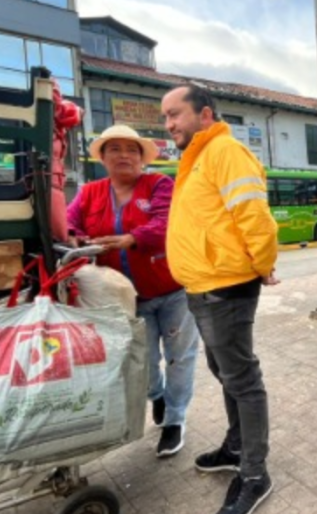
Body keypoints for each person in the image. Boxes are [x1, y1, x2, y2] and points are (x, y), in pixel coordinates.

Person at [162, 84, 279, 514]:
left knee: (242, 378)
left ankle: (254, 473)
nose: (169, 124)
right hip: (201, 285)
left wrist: (263, 265)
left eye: (175, 114)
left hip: (226, 284)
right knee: (224, 369)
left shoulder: (225, 152)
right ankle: (235, 448)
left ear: (205, 115)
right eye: (165, 118)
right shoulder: (196, 159)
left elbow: (255, 217)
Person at [66, 124, 198, 458]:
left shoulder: (159, 184)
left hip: (173, 290)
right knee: (143, 361)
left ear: (141, 158)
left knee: (179, 357)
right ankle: (157, 395)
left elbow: (167, 222)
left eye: (131, 149)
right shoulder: (89, 192)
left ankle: (174, 420)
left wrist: (132, 238)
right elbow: (69, 223)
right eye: (115, 149)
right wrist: (75, 238)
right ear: (103, 157)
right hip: (126, 299)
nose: (124, 155)